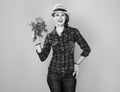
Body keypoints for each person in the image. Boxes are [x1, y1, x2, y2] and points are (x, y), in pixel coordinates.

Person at [34, 4, 91, 92]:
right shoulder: (50, 36)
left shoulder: (73, 32)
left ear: (65, 17)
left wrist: (77, 64)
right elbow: (42, 57)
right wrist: (37, 42)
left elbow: (87, 49)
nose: (60, 17)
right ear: (53, 17)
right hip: (53, 75)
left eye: (62, 14)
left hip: (69, 75)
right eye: (57, 15)